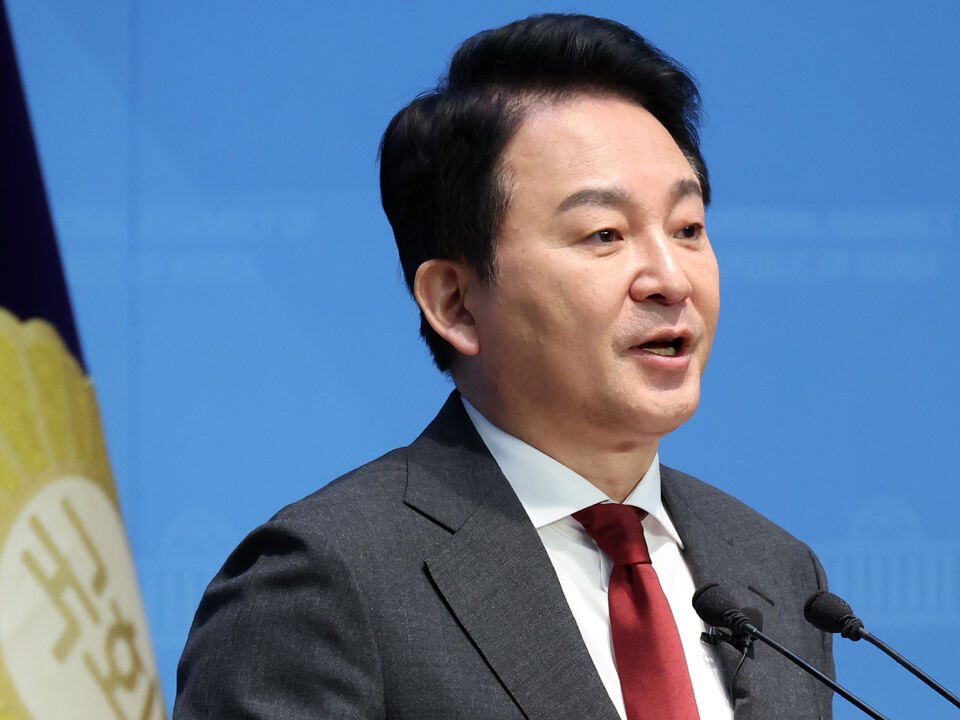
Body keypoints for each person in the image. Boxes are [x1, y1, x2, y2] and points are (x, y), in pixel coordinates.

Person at [174, 13, 833, 720]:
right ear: (455, 302)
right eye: (604, 234)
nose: (671, 279)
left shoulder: (777, 574)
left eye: (688, 228)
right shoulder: (327, 584)